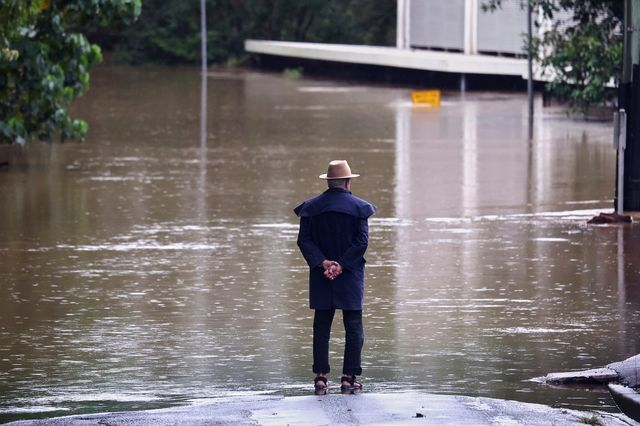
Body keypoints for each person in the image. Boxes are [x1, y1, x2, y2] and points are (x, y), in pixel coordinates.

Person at [294, 160, 377, 393]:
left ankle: (320, 377)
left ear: (329, 182)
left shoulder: (311, 208)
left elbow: (304, 241)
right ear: (348, 182)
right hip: (350, 273)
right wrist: (341, 264)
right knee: (353, 325)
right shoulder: (359, 208)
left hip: (321, 273)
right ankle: (348, 378)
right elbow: (361, 243)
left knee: (322, 325)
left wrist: (323, 262)